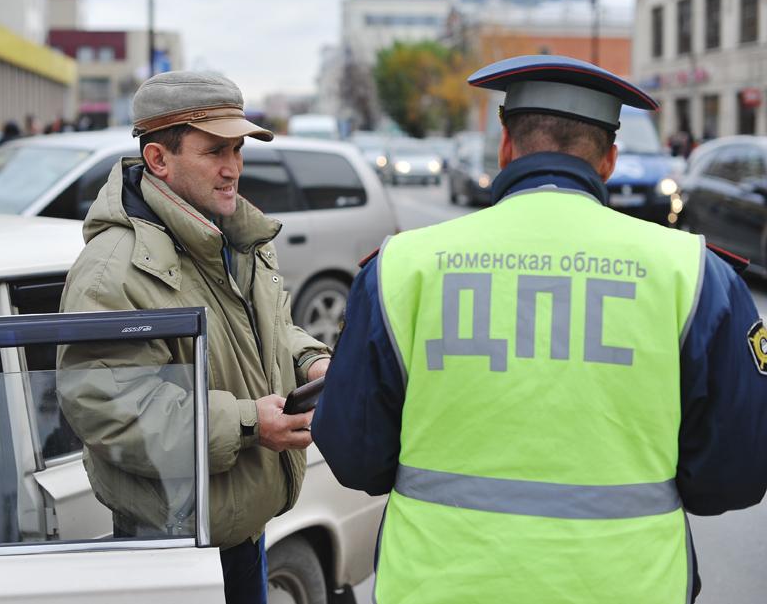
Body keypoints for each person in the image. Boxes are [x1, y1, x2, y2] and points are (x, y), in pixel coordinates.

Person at [312, 54, 767, 604]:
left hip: (438, 581)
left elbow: (354, 452)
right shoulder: (695, 274)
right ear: (610, 161)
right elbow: (736, 473)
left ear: (506, 146)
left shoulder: (402, 266)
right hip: (629, 582)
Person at [57, 71, 332, 604]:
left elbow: (268, 331)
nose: (233, 169)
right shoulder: (112, 270)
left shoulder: (232, 234)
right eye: (215, 152)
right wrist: (251, 423)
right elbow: (109, 407)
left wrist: (311, 363)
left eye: (238, 149)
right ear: (159, 159)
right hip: (173, 545)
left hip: (239, 525)